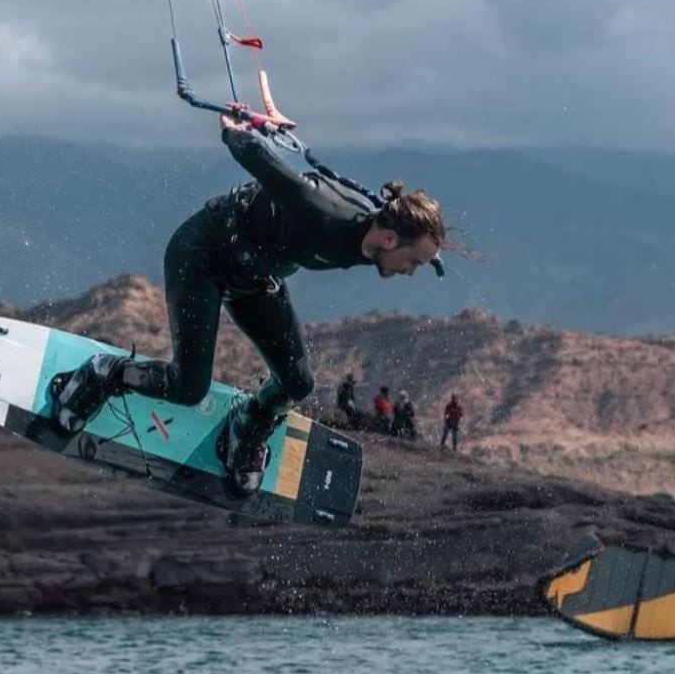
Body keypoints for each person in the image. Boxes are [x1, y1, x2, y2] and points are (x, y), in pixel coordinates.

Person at [53, 114, 447, 495]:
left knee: (297, 384)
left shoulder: (381, 232)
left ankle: (247, 424)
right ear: (391, 241)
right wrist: (236, 132)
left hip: (256, 279)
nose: (412, 273)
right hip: (202, 257)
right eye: (415, 262)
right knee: (188, 388)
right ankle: (104, 373)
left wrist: (429, 250)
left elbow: (409, 231)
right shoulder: (324, 211)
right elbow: (265, 166)